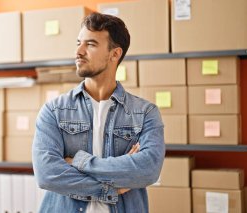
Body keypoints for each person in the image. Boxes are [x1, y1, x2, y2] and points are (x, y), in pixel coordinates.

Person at [32, 12, 165, 213]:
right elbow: (47, 174)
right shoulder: (54, 111)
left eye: (91, 44)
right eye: (78, 42)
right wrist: (110, 189)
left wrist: (79, 161)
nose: (79, 51)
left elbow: (148, 170)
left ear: (115, 54)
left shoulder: (145, 113)